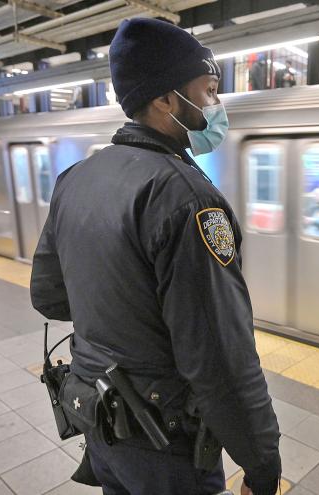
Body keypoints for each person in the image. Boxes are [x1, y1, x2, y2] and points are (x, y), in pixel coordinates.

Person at [30, 18, 281, 495]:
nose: (217, 105)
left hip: (102, 425)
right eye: (208, 91)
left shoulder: (76, 179)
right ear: (166, 99)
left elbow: (49, 296)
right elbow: (220, 358)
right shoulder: (186, 200)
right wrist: (262, 465)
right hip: (165, 445)